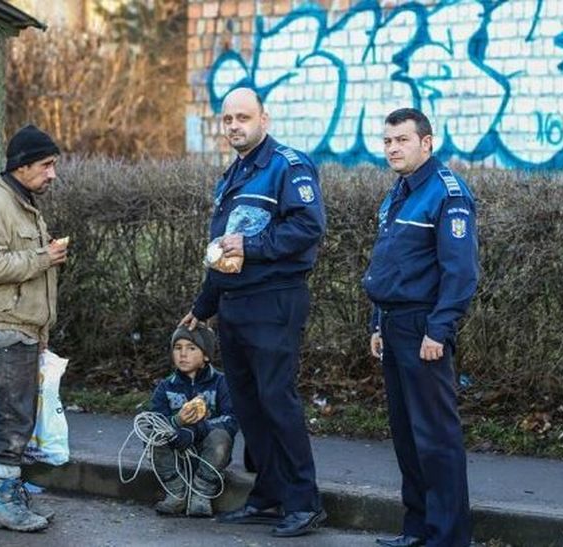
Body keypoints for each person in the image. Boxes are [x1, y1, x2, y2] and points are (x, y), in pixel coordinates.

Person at [180, 87, 327, 538]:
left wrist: (254, 246)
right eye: (227, 119)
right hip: (234, 306)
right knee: (249, 405)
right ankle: (268, 496)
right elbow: (221, 252)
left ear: (264, 118)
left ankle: (304, 503)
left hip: (274, 300)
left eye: (243, 117)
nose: (234, 126)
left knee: (277, 401)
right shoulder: (234, 173)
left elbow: (308, 227)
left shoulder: (287, 165)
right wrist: (202, 308)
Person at [363, 108, 479, 547]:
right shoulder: (399, 193)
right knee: (407, 436)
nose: (392, 148)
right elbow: (392, 265)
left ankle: (447, 537)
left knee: (435, 438)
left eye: (402, 140)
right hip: (393, 324)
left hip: (423, 328)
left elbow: (461, 272)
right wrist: (377, 321)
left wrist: (439, 330)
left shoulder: (446, 194)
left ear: (426, 143)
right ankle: (417, 530)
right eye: (388, 141)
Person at [0, 124, 67, 532]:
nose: (52, 174)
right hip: (3, 329)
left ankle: (5, 495)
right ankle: (5, 503)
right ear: (21, 166)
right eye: (46, 165)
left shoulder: (20, 202)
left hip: (20, 328)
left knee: (16, 415)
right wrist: (43, 258)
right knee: (10, 418)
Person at [150, 324, 239, 517]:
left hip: (208, 455)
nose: (183, 354)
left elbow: (231, 420)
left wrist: (198, 429)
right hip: (177, 452)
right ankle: (176, 493)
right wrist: (176, 422)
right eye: (177, 348)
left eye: (191, 348)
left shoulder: (221, 383)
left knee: (221, 437)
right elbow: (154, 420)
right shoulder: (166, 387)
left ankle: (201, 493)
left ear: (206, 355)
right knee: (152, 434)